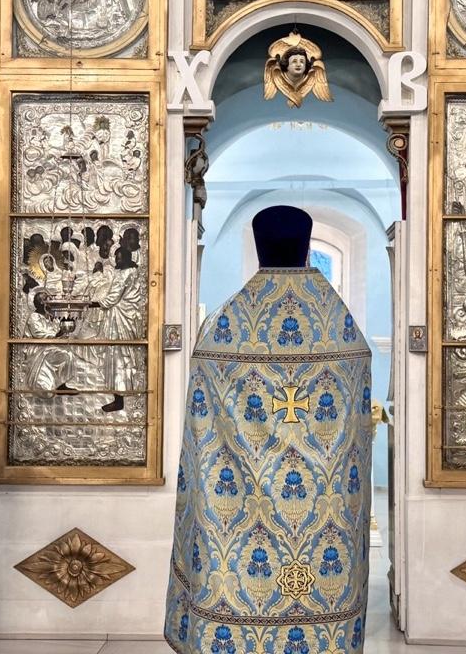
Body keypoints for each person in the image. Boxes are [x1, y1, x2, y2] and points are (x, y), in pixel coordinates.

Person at [164, 206, 373, 653]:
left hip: (239, 509)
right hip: (320, 509)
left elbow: (203, 428)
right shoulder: (340, 327)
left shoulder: (224, 327)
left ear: (260, 246)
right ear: (305, 246)